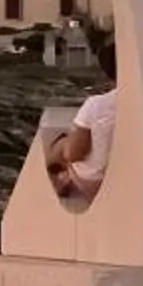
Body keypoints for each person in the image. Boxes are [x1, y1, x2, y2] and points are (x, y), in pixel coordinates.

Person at [45, 36, 118, 204]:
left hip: (93, 181)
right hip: (131, 173)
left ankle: (57, 182)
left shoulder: (97, 104)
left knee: (63, 144)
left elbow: (74, 154)